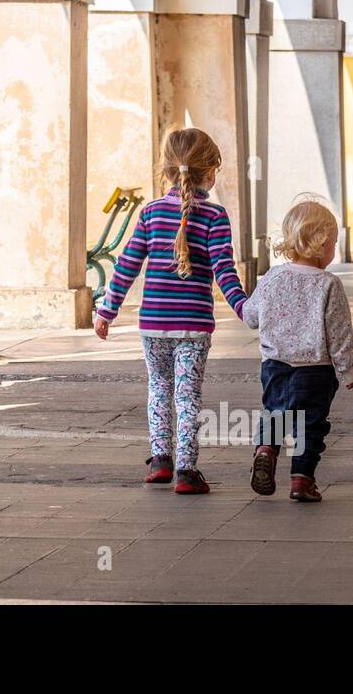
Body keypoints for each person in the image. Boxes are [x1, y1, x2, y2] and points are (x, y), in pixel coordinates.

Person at [94, 127, 248, 493]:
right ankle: (186, 470)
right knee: (187, 395)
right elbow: (225, 270)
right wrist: (245, 308)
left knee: (159, 389)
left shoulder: (149, 214)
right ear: (210, 172)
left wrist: (107, 310)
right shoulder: (214, 217)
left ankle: (160, 458)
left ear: (166, 171)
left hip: (153, 325)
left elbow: (127, 266)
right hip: (193, 327)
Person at [241, 199, 353, 503]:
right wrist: (349, 370)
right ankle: (301, 481)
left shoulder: (271, 278)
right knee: (310, 426)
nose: (334, 249)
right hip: (315, 370)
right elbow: (339, 333)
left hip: (275, 366)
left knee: (275, 415)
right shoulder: (329, 284)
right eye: (333, 243)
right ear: (321, 245)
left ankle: (266, 449)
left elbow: (251, 317)